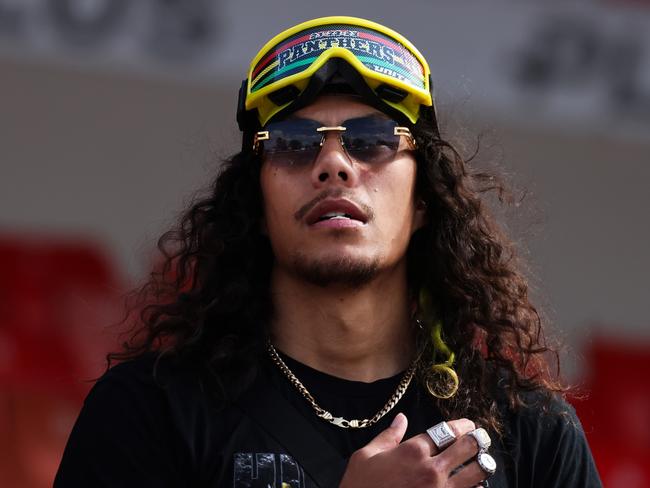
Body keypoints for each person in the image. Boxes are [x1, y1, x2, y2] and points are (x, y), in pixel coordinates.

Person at [55, 16, 602, 488]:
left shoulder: (530, 430)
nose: (334, 164)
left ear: (423, 202)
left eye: (372, 140)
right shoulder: (149, 411)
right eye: (294, 144)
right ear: (256, 208)